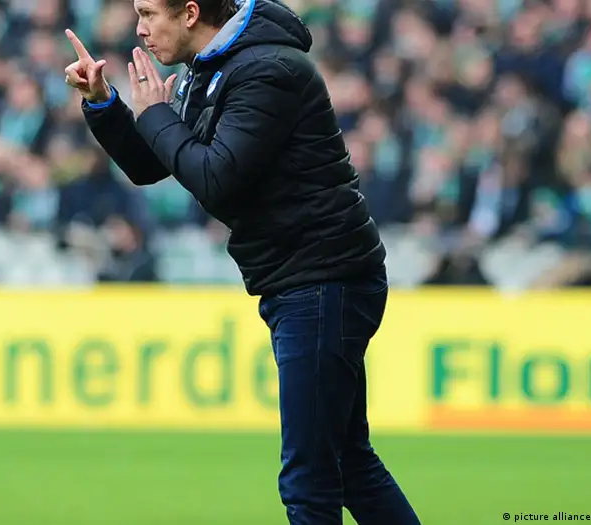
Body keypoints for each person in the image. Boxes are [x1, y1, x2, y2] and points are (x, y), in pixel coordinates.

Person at [64, 1, 421, 524]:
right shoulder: (213, 68)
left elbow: (215, 177)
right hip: (305, 278)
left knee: (309, 482)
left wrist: (157, 114)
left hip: (323, 278)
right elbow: (154, 163)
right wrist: (103, 104)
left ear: (190, 13)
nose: (139, 28)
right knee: (348, 464)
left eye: (148, 12)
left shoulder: (267, 71)